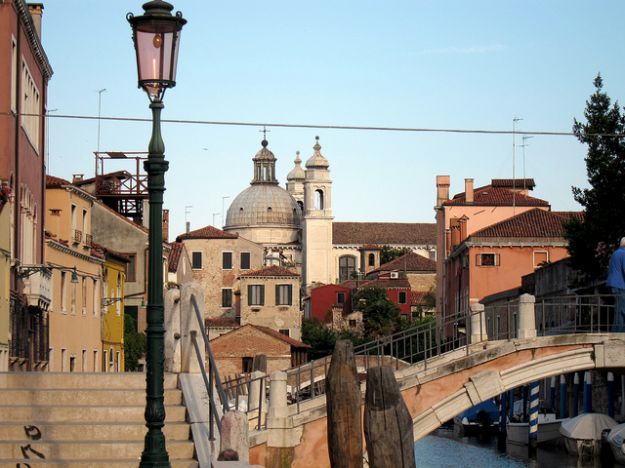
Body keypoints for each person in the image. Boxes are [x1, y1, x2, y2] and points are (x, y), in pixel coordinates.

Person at [607, 237, 625, 332]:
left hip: (613, 284)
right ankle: (617, 333)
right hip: (620, 285)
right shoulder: (624, 253)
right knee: (621, 310)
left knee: (620, 308)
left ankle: (618, 332)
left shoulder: (615, 253)